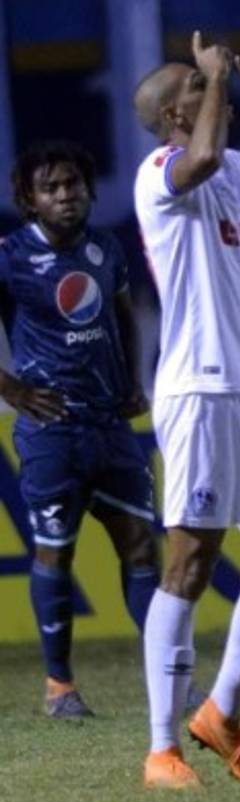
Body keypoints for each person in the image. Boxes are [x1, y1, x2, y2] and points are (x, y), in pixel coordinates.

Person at [132, 31, 240, 789]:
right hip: (199, 389)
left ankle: (221, 712)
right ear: (174, 114)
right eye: (200, 88)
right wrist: (210, 75)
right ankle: (161, 748)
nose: (217, 90)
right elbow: (199, 158)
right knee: (190, 560)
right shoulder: (160, 173)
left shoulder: (234, 168)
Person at [0, 141, 158, 719]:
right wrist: (13, 391)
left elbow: (123, 316)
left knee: (140, 545)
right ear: (30, 200)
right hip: (52, 429)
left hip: (110, 426)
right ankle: (59, 686)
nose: (65, 195)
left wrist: (133, 381)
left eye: (73, 184)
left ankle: (170, 676)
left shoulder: (106, 248)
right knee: (55, 553)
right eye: (51, 188)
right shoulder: (11, 256)